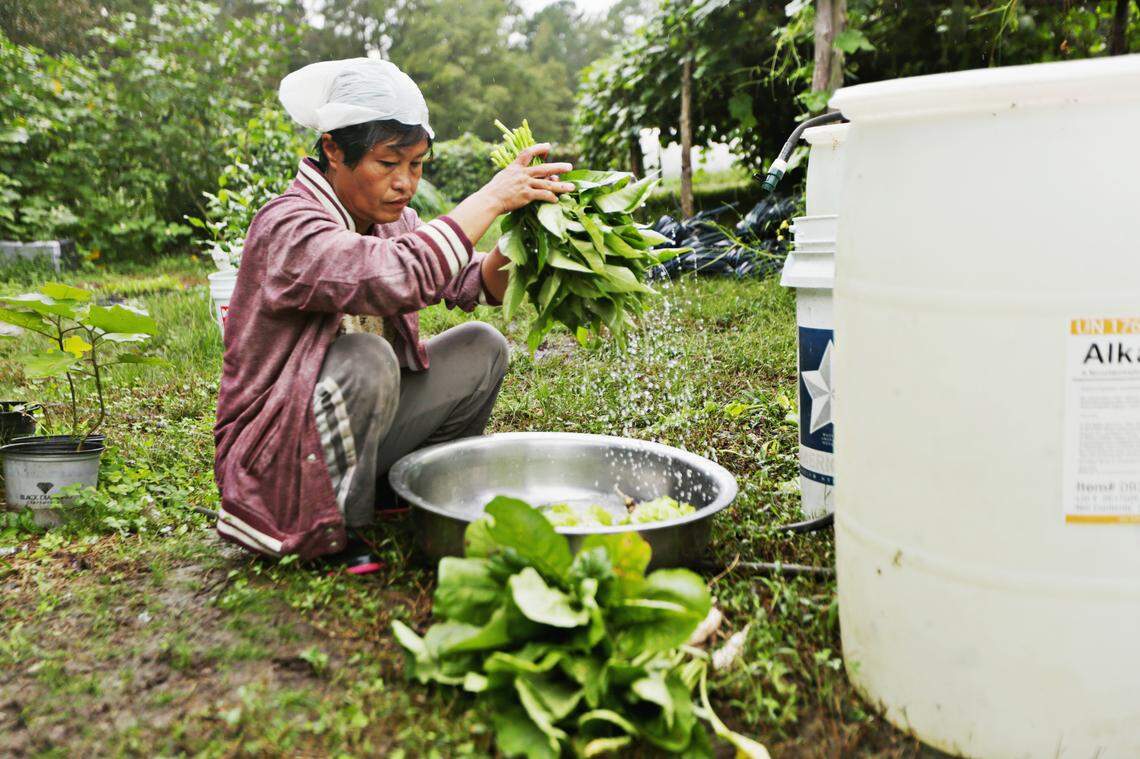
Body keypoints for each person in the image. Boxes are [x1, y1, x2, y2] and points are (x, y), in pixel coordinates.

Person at [212, 59, 574, 568]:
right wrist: (488, 198)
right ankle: (326, 529)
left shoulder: (393, 220)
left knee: (481, 347)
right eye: (388, 164)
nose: (405, 183)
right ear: (334, 150)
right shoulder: (288, 227)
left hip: (348, 425)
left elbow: (471, 281)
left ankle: (397, 490)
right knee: (366, 356)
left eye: (417, 165)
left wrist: (524, 230)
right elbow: (394, 275)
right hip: (277, 459)